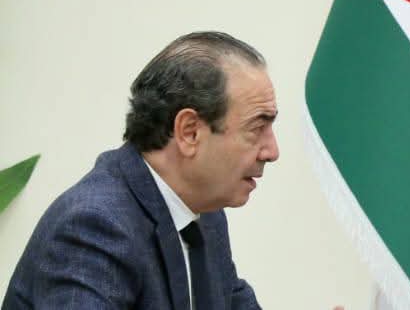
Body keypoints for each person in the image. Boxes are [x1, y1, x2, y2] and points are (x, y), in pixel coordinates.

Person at [4, 31, 278, 309]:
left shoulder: (206, 215)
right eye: (257, 128)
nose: (272, 151)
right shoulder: (95, 226)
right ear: (189, 132)